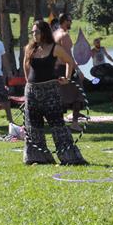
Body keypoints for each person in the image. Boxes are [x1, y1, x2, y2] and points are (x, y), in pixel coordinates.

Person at [22, 20, 87, 165]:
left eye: (37, 32)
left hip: (51, 91)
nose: (34, 35)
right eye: (32, 32)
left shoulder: (55, 48)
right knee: (33, 125)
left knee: (57, 125)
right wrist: (27, 81)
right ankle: (37, 158)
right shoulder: (30, 48)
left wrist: (67, 78)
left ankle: (69, 157)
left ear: (44, 32)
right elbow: (25, 64)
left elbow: (69, 61)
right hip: (32, 92)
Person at [53, 13, 87, 131]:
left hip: (56, 69)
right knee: (79, 95)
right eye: (69, 20)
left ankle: (59, 123)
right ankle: (74, 123)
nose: (71, 23)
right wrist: (78, 70)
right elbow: (68, 56)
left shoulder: (54, 34)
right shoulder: (64, 35)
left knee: (59, 96)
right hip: (66, 68)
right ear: (64, 21)